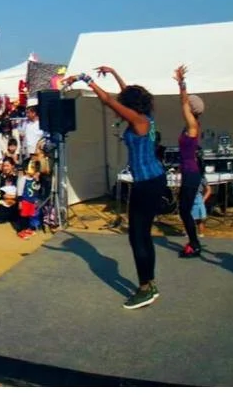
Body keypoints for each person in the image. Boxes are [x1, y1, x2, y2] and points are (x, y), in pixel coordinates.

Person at [74, 66, 164, 308]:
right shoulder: (145, 117)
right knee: (142, 235)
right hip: (153, 179)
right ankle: (150, 283)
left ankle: (146, 288)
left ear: (131, 106)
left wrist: (86, 79)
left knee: (137, 237)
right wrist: (113, 72)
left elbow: (108, 100)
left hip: (147, 183)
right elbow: (125, 93)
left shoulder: (137, 120)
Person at [173, 65, 205, 259]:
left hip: (192, 172)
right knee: (183, 208)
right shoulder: (190, 125)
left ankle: (195, 244)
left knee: (185, 209)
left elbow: (183, 103)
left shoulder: (192, 125)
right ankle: (194, 242)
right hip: (188, 171)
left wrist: (181, 83)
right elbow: (184, 104)